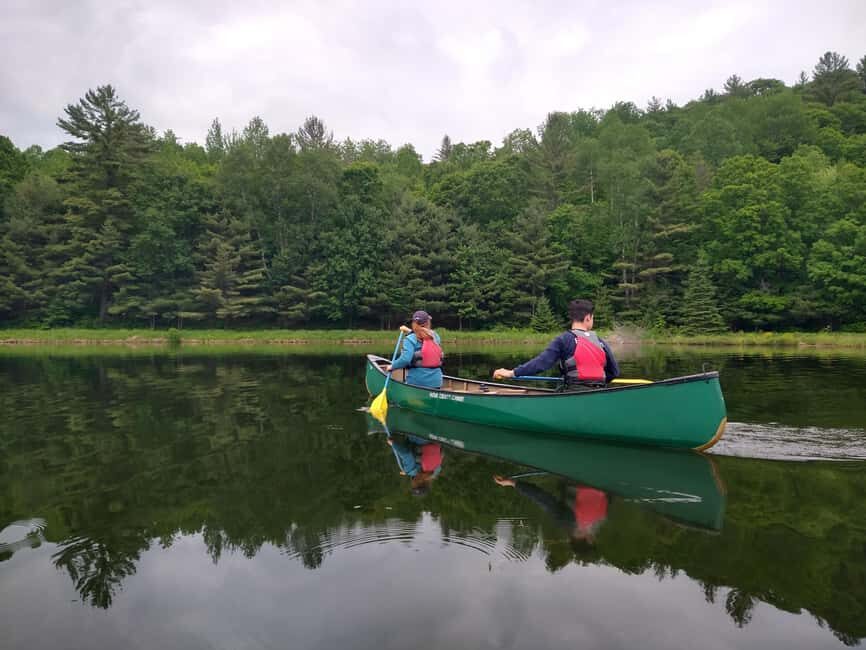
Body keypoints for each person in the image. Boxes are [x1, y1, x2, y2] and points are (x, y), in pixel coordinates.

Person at [493, 299, 619, 388]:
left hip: (574, 392)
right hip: (599, 391)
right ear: (587, 318)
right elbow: (614, 372)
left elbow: (541, 363)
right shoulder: (600, 341)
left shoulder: (564, 339)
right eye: (593, 317)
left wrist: (512, 373)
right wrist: (597, 384)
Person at [493, 475, 608, 543]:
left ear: (590, 538)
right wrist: (511, 483)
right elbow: (540, 497)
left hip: (600, 479)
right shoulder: (567, 521)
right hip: (575, 477)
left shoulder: (601, 515)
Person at [384, 310, 444, 389]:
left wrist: (392, 366)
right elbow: (424, 334)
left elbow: (405, 360)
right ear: (428, 322)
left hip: (417, 382)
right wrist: (409, 331)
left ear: (414, 324)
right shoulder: (435, 336)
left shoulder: (410, 339)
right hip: (436, 382)